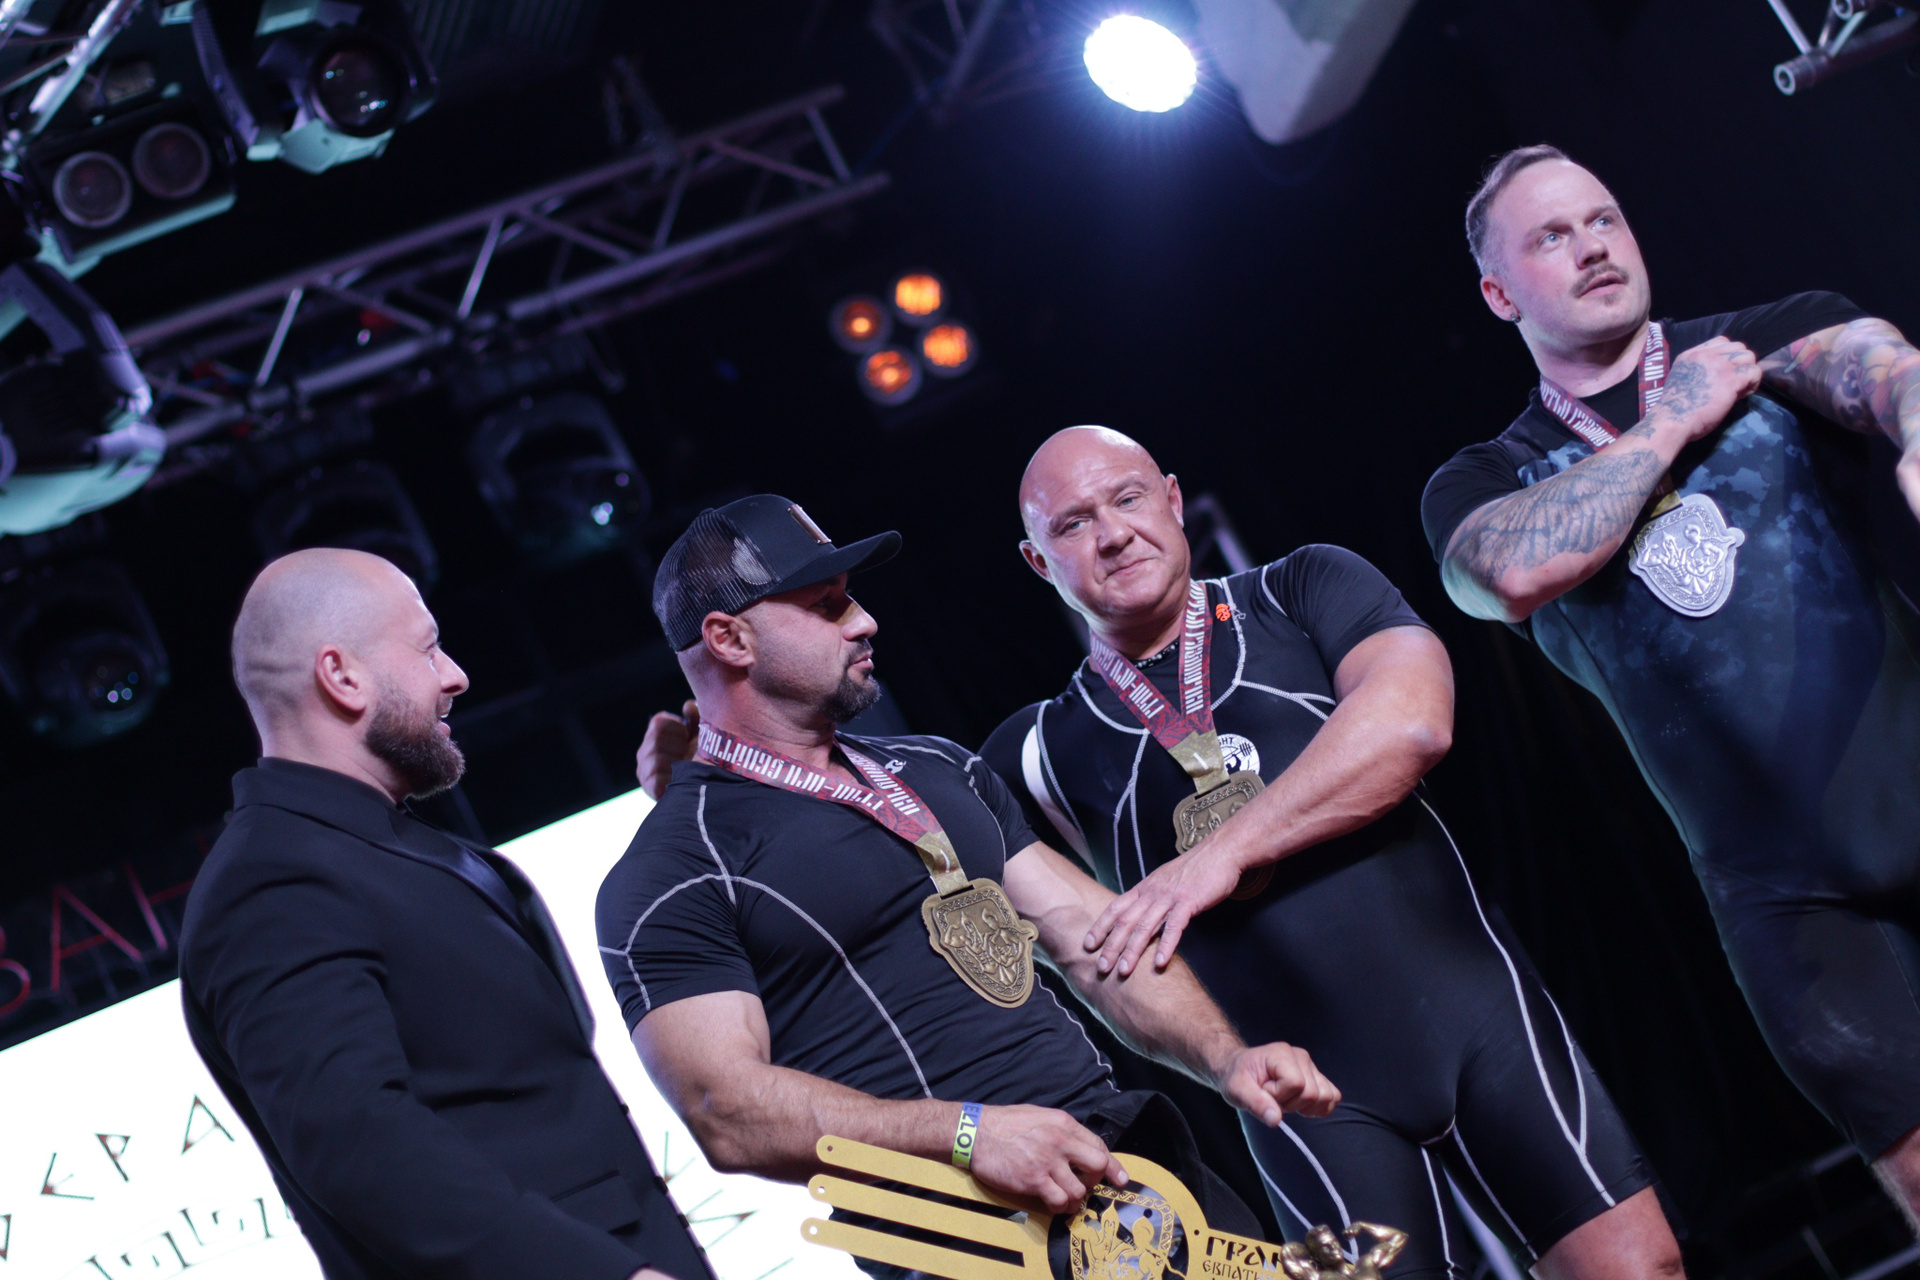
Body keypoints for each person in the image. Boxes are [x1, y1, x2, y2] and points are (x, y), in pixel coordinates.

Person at [977, 427, 1683, 1280]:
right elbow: (1049, 939)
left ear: (1171, 497)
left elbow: (1412, 725)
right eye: (1075, 523)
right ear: (1038, 562)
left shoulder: (1305, 589)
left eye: (1127, 498)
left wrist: (1219, 854)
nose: (1114, 533)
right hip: (1301, 1104)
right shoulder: (1033, 757)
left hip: (1483, 1029)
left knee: (1641, 1272)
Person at [603, 495, 1339, 1273]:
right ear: (729, 638)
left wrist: (1225, 1058)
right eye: (826, 606)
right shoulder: (674, 871)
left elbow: (1095, 944)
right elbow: (725, 1112)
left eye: (852, 596)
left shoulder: (937, 767)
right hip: (968, 1242)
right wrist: (967, 1134)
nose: (864, 621)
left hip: (1125, 1169)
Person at [1421, 146, 1920, 1224]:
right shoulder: (1486, 478)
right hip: (1793, 907)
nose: (1593, 246)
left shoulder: (1764, 342)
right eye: (1552, 236)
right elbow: (1504, 574)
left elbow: (1878, 363)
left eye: (1603, 218)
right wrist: (1673, 421)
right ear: (1499, 295)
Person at [179, 548, 709, 1280]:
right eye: (428, 649)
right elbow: (361, 1147)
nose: (455, 675)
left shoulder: (373, 846)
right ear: (342, 676)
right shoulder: (269, 882)